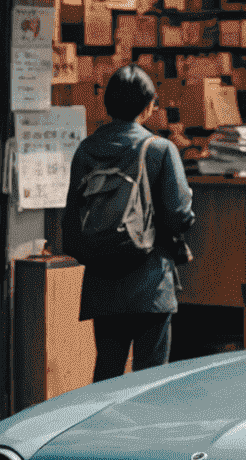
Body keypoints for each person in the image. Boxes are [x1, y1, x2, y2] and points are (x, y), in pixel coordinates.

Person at [65, 64, 196, 382]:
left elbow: (72, 218)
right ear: (150, 105)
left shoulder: (86, 150)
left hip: (102, 281)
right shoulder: (161, 149)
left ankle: (101, 432)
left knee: (107, 371)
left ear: (107, 104)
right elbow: (179, 215)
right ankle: (146, 434)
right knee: (149, 380)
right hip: (150, 281)